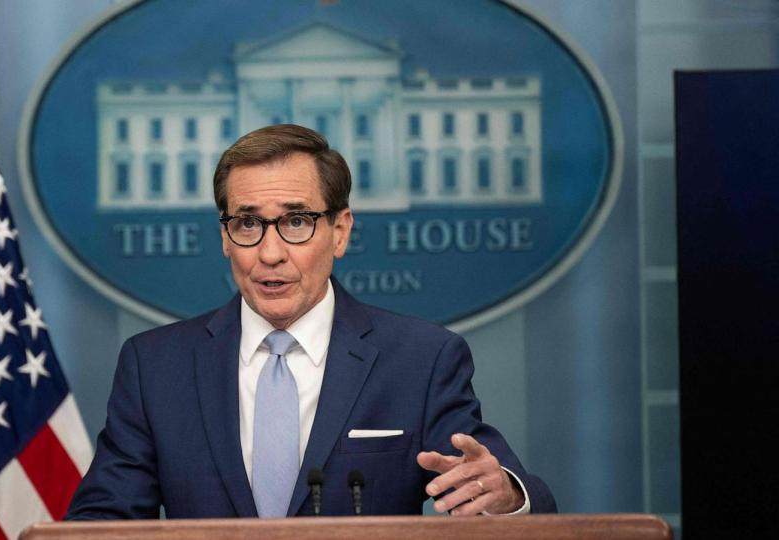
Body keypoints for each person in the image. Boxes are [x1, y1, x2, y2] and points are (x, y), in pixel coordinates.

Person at [65, 124, 556, 519]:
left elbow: (507, 488)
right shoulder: (155, 366)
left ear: (339, 232)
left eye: (296, 222)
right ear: (225, 237)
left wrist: (506, 496)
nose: (270, 253)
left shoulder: (421, 359)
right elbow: (104, 518)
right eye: (248, 223)